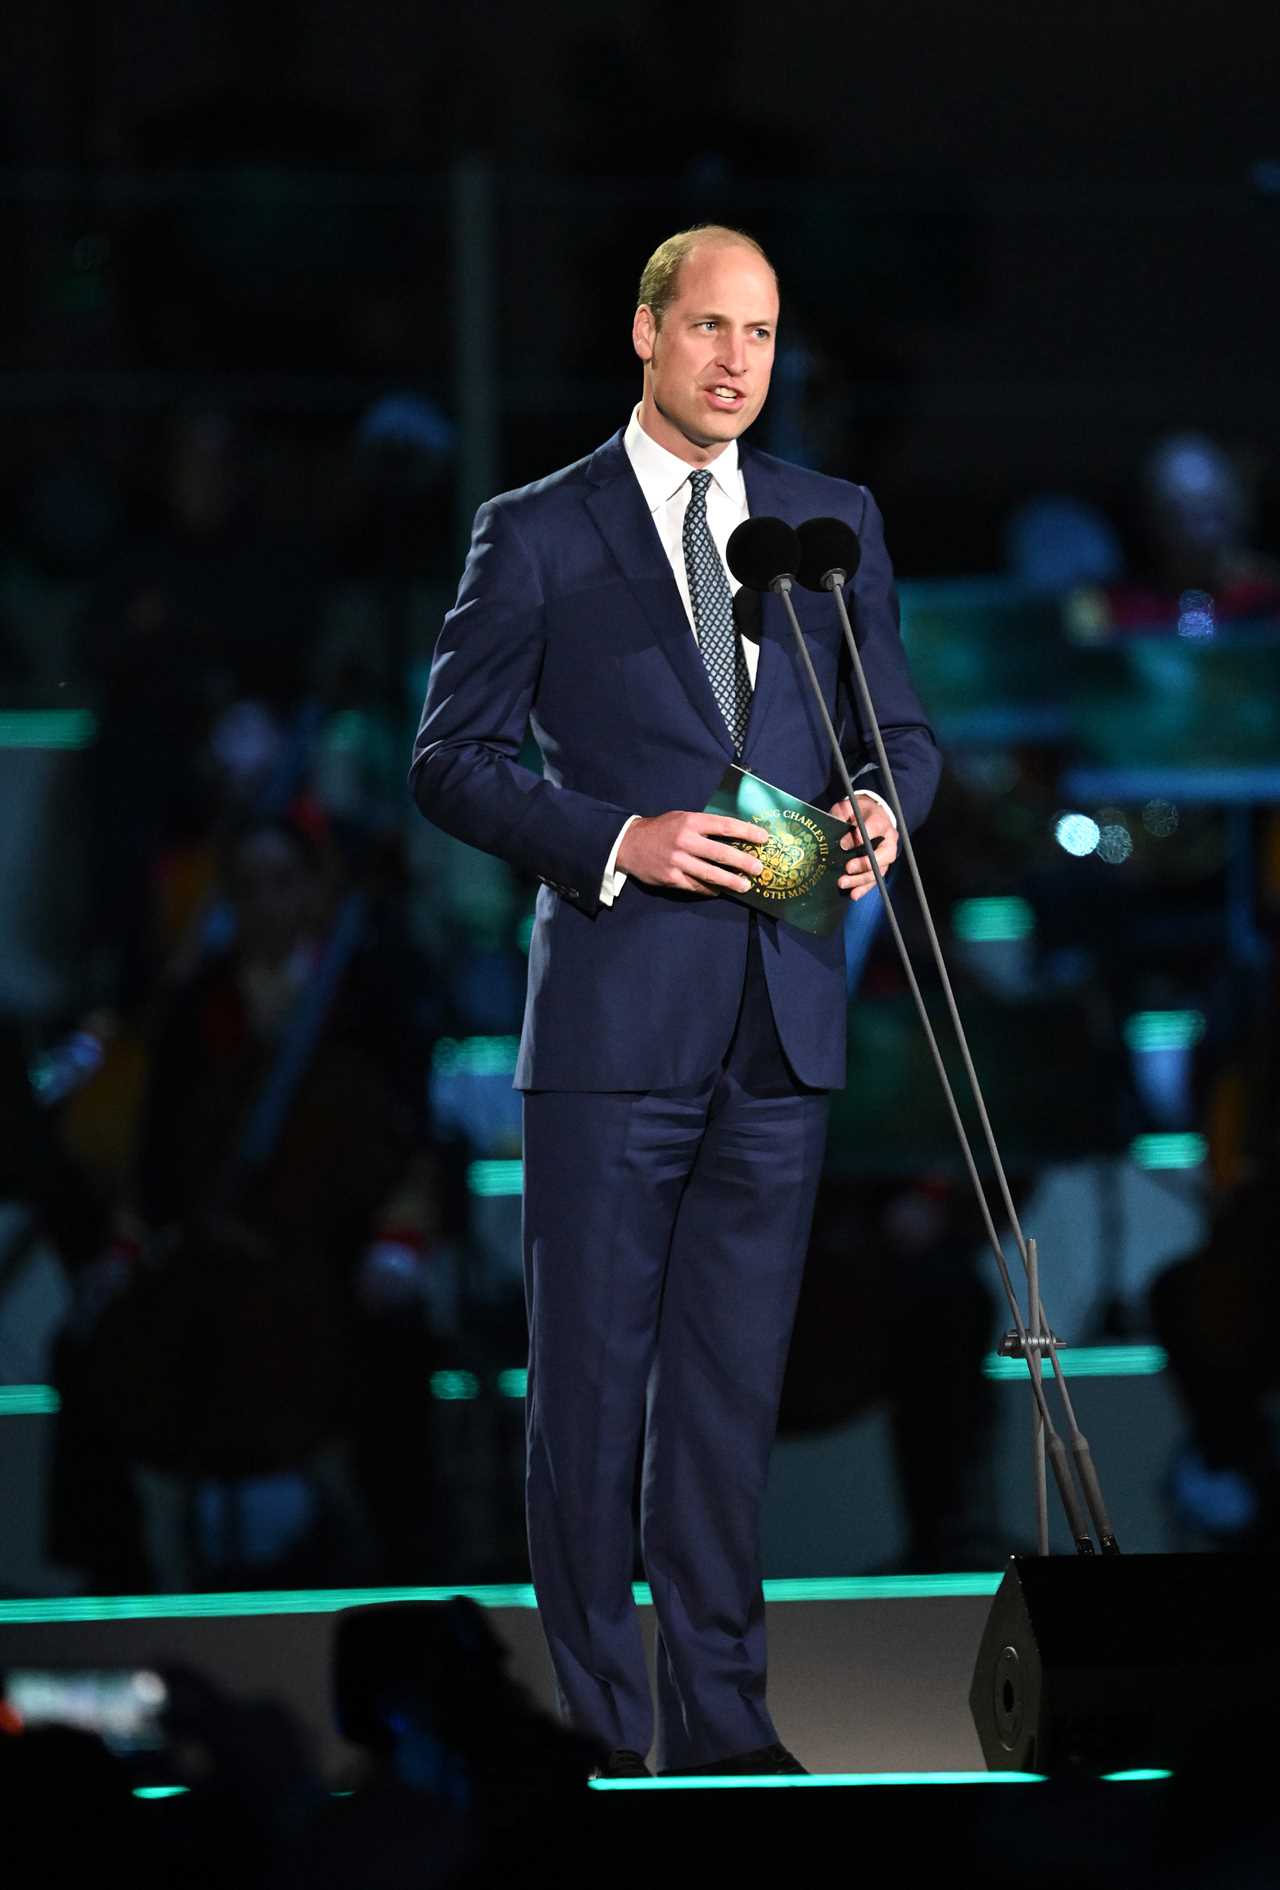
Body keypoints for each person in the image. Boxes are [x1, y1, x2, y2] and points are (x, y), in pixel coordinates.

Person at [410, 225, 940, 1775]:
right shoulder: (542, 530)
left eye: (762, 334)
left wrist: (883, 813)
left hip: (781, 1014)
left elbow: (898, 733)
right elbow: (449, 759)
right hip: (611, 1023)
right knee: (587, 1394)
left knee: (724, 1394)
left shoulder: (829, 520)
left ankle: (719, 1718)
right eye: (709, 326)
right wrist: (613, 840)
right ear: (646, 334)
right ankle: (599, 1724)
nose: (736, 361)